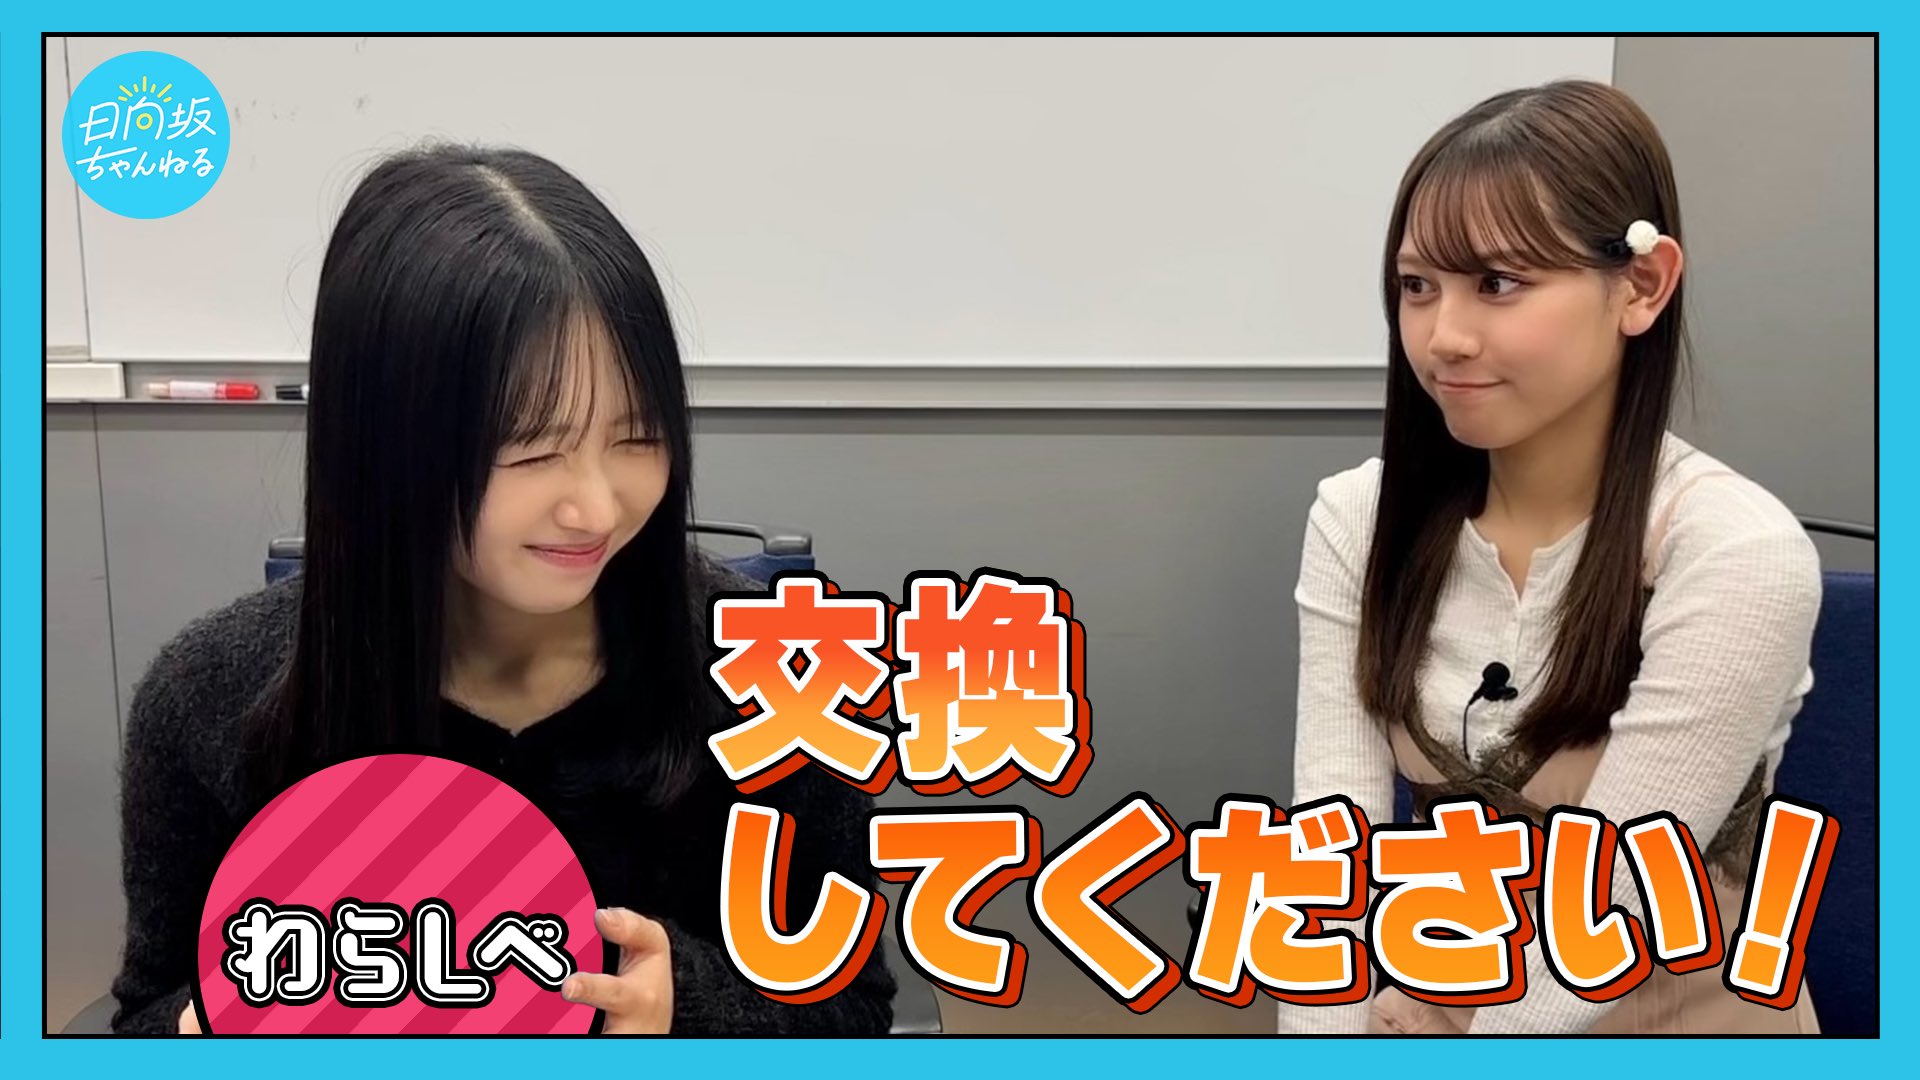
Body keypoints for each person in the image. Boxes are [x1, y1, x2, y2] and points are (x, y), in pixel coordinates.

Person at [109, 145, 895, 1035]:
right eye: (532, 450)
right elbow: (144, 1011)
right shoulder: (210, 698)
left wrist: (694, 1011)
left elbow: (854, 1006)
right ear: (386, 446)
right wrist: (217, 1020)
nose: (596, 507)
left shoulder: (780, 676)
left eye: (637, 437)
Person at [1285, 80, 1822, 1034]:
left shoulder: (1736, 550)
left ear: (1642, 286)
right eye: (1418, 286)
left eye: (1498, 283)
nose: (1444, 337)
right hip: (1438, 1004)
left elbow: (1603, 920)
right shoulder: (1357, 519)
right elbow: (1329, 863)